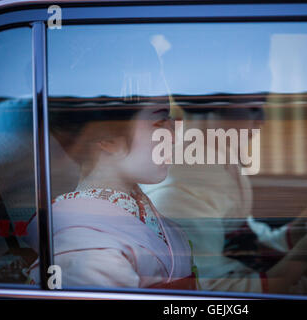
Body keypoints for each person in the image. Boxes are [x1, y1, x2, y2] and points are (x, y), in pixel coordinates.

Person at [141, 103, 307, 296]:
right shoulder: (179, 188)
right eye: (253, 109)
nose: (263, 120)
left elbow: (240, 238)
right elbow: (213, 291)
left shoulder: (215, 160)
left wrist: (295, 232)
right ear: (216, 104)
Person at [26, 100, 196, 290]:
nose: (172, 137)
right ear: (107, 137)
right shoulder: (86, 248)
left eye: (170, 121)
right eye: (159, 122)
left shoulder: (138, 217)